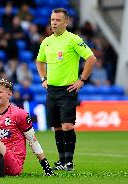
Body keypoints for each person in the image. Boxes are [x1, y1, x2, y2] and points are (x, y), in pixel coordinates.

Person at [36, 8, 97, 171]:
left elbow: (91, 59)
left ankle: (69, 163)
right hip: (51, 91)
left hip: (68, 90)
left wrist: (81, 80)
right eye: (52, 20)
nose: (54, 23)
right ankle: (62, 161)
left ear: (66, 22)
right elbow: (39, 61)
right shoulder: (46, 41)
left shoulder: (73, 40)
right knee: (56, 126)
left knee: (67, 126)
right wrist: (43, 79)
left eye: (57, 20)